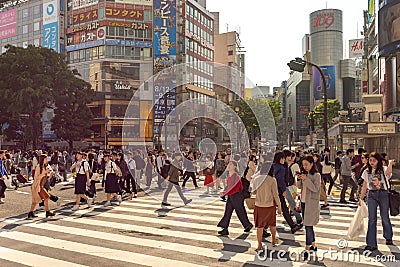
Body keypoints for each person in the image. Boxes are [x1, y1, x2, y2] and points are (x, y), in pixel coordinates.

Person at [359, 152, 395, 251]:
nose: (371, 162)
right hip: (371, 195)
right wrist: (361, 198)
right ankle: (371, 243)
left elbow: (388, 173)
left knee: (384, 217)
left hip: (383, 194)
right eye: (370, 160)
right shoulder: (366, 172)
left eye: (374, 160)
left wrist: (390, 164)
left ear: (378, 161)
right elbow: (365, 186)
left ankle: (388, 236)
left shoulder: (383, 170)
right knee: (372, 219)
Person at [217, 161, 253, 236]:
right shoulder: (229, 175)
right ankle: (225, 228)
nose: (228, 166)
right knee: (228, 212)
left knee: (240, 212)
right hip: (231, 196)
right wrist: (225, 192)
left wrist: (225, 193)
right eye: (228, 164)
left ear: (235, 167)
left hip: (237, 196)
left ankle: (248, 225)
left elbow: (236, 188)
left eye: (231, 165)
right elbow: (229, 186)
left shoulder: (236, 176)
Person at [253, 163, 282, 252]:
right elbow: (275, 194)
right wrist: (279, 206)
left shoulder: (256, 179)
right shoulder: (272, 180)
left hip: (259, 205)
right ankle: (273, 240)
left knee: (259, 226)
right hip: (269, 205)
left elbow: (253, 192)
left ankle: (259, 244)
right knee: (272, 224)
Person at [297, 155, 321, 260]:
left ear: (312, 164)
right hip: (303, 201)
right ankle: (313, 245)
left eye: (306, 164)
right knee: (309, 225)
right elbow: (299, 187)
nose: (305, 167)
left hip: (311, 203)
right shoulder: (304, 173)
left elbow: (315, 189)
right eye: (303, 165)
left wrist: (306, 179)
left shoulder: (317, 175)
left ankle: (307, 248)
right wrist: (299, 179)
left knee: (307, 225)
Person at [273, 152, 302, 234]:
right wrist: (284, 190)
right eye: (283, 158)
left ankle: (292, 225)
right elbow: (280, 180)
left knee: (272, 209)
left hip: (271, 191)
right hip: (279, 191)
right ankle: (293, 226)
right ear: (280, 159)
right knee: (284, 208)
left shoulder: (272, 166)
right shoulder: (281, 168)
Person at [28, 154, 55, 218]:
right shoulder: (39, 167)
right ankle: (47, 212)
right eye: (46, 159)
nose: (47, 160)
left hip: (41, 185)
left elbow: (45, 175)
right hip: (38, 185)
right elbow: (36, 177)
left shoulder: (45, 166)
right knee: (46, 197)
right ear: (42, 159)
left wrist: (49, 172)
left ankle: (31, 213)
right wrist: (45, 172)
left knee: (36, 201)